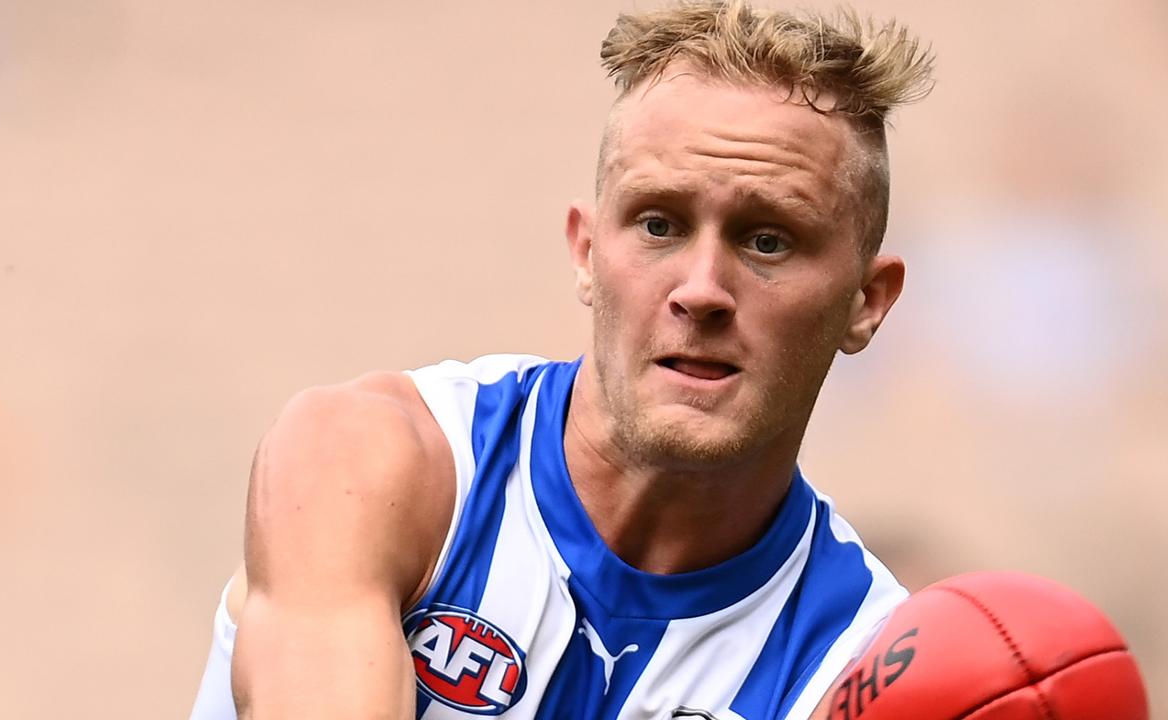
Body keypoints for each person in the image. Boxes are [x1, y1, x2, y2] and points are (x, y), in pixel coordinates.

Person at [190, 2, 934, 718]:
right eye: (659, 225)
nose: (702, 290)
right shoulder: (370, 464)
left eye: (767, 239)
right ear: (586, 253)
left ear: (867, 302)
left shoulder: (862, 666)